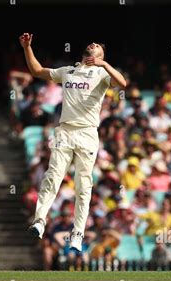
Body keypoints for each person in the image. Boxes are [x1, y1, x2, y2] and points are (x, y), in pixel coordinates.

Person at [20, 33, 127, 252]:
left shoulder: (101, 73)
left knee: (83, 185)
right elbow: (37, 71)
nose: (93, 44)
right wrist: (27, 48)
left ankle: (77, 233)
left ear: (100, 55)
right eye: (92, 43)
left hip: (87, 133)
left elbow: (122, 84)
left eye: (98, 46)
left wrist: (104, 64)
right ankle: (40, 221)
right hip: (65, 131)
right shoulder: (67, 71)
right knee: (53, 175)